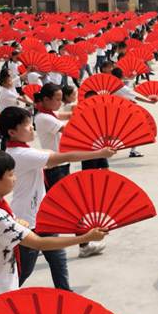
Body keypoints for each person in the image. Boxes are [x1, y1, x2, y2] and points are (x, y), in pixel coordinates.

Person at [0, 148, 107, 314]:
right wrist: (85, 237)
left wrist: (16, 223)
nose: (15, 178)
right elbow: (38, 243)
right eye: (10, 174)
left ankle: (64, 291)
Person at [0, 106, 114, 291]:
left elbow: (58, 154)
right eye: (28, 127)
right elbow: (62, 157)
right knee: (23, 271)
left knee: (58, 260)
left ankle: (65, 294)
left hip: (41, 216)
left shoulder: (20, 150)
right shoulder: (22, 154)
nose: (32, 129)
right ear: (12, 132)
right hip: (27, 221)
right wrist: (98, 153)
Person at [34, 83, 105, 258]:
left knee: (55, 207)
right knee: (75, 207)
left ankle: (38, 243)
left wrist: (90, 108)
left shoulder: (49, 113)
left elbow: (70, 115)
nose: (60, 102)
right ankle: (83, 245)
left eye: (60, 99)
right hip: (56, 168)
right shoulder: (45, 118)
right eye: (57, 99)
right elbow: (71, 128)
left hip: (59, 166)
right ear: (46, 99)